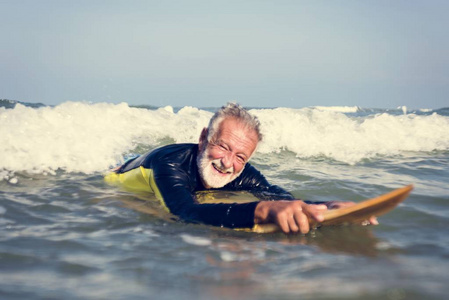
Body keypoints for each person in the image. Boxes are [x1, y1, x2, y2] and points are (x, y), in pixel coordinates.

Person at [105, 103, 377, 234]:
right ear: (203, 139)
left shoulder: (241, 171)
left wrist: (326, 206)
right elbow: (183, 212)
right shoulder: (170, 164)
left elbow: (278, 197)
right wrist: (258, 211)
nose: (228, 163)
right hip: (117, 177)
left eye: (240, 156)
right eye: (222, 147)